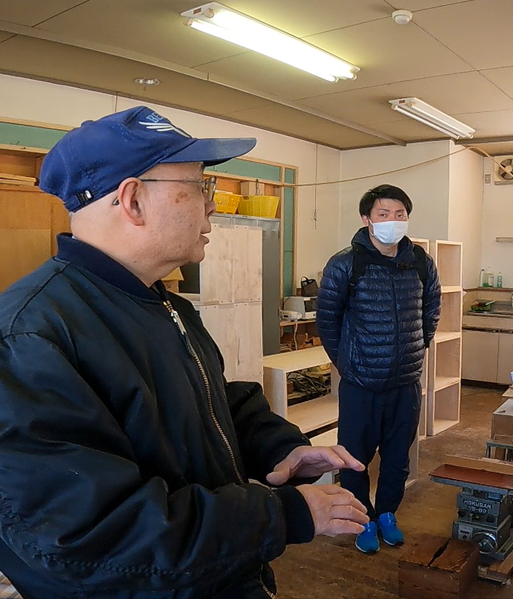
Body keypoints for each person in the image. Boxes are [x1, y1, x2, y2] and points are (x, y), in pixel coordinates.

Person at [0, 107, 370, 599]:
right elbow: (92, 536)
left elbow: (212, 404)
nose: (211, 205)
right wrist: (283, 514)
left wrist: (280, 448)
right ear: (133, 200)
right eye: (199, 186)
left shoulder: (162, 303)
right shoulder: (30, 337)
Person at [317, 184, 442, 554]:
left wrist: (416, 348)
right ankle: (362, 519)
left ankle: (387, 513)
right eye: (383, 214)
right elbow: (328, 322)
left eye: (399, 214)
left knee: (397, 458)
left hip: (405, 384)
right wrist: (348, 363)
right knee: (354, 460)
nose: (392, 221)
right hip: (361, 385)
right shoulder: (345, 263)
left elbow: (431, 309)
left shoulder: (420, 261)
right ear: (366, 219)